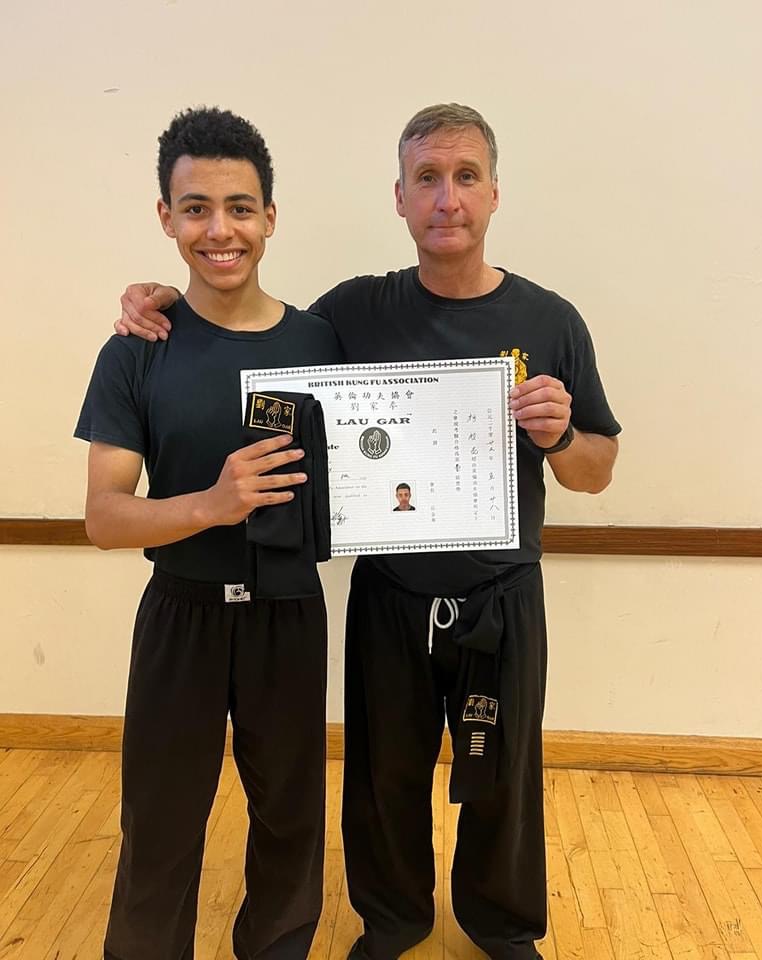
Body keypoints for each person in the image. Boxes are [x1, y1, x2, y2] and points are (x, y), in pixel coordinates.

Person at [114, 102, 620, 960]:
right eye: (428, 179)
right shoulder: (354, 313)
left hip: (503, 589)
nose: (447, 198)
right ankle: (392, 922)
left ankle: (502, 926)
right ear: (400, 197)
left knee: (506, 775)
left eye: (465, 178)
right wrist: (160, 297)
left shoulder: (552, 321)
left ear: (494, 193)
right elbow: (251, 323)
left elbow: (596, 467)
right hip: (390, 590)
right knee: (385, 776)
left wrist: (563, 436)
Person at [75, 107, 342, 960]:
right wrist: (211, 503)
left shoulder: (324, 341)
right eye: (195, 208)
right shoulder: (136, 349)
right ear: (166, 218)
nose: (219, 229)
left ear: (270, 216)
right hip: (180, 614)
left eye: (239, 206)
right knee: (158, 825)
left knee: (291, 824)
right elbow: (105, 516)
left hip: (289, 614)